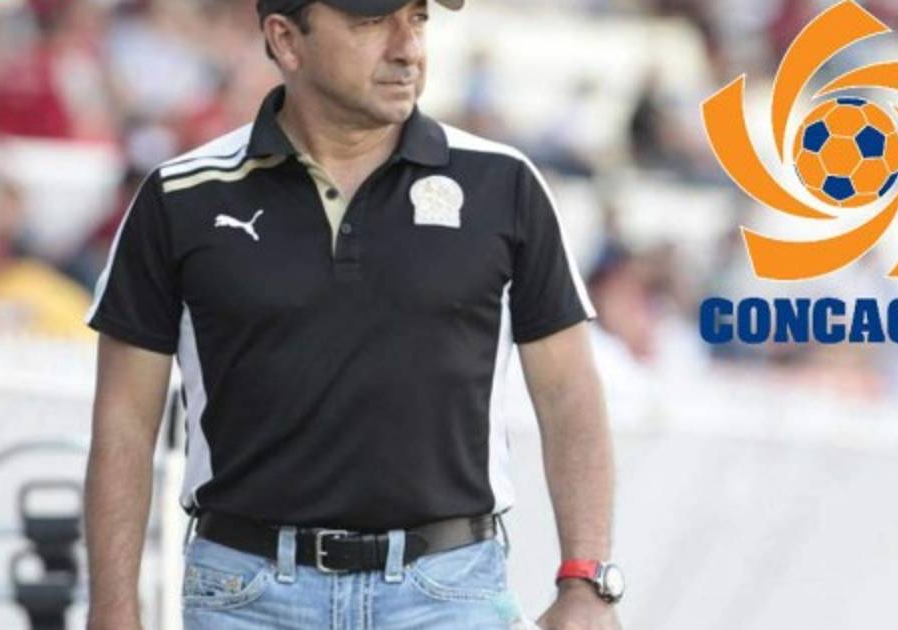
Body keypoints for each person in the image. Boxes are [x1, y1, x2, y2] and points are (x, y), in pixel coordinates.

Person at [83, 1, 623, 628]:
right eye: (371, 21)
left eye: (417, 18)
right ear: (286, 39)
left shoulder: (504, 185)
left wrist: (587, 580)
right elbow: (124, 423)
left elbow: (569, 395)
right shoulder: (180, 197)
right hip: (246, 598)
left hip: (450, 595)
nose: (407, 48)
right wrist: (113, 610)